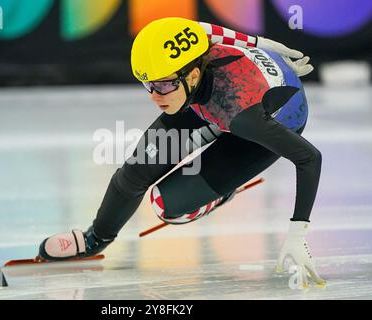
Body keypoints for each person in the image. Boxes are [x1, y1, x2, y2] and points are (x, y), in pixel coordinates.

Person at [38, 17, 325, 286]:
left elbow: (310, 157)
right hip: (209, 99)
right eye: (147, 84)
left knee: (167, 207)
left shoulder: (240, 113)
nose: (154, 96)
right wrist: (259, 42)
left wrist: (298, 233)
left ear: (193, 73)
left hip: (262, 122)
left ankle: (224, 190)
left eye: (163, 85)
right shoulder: (186, 65)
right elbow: (200, 27)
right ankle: (94, 240)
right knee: (135, 172)